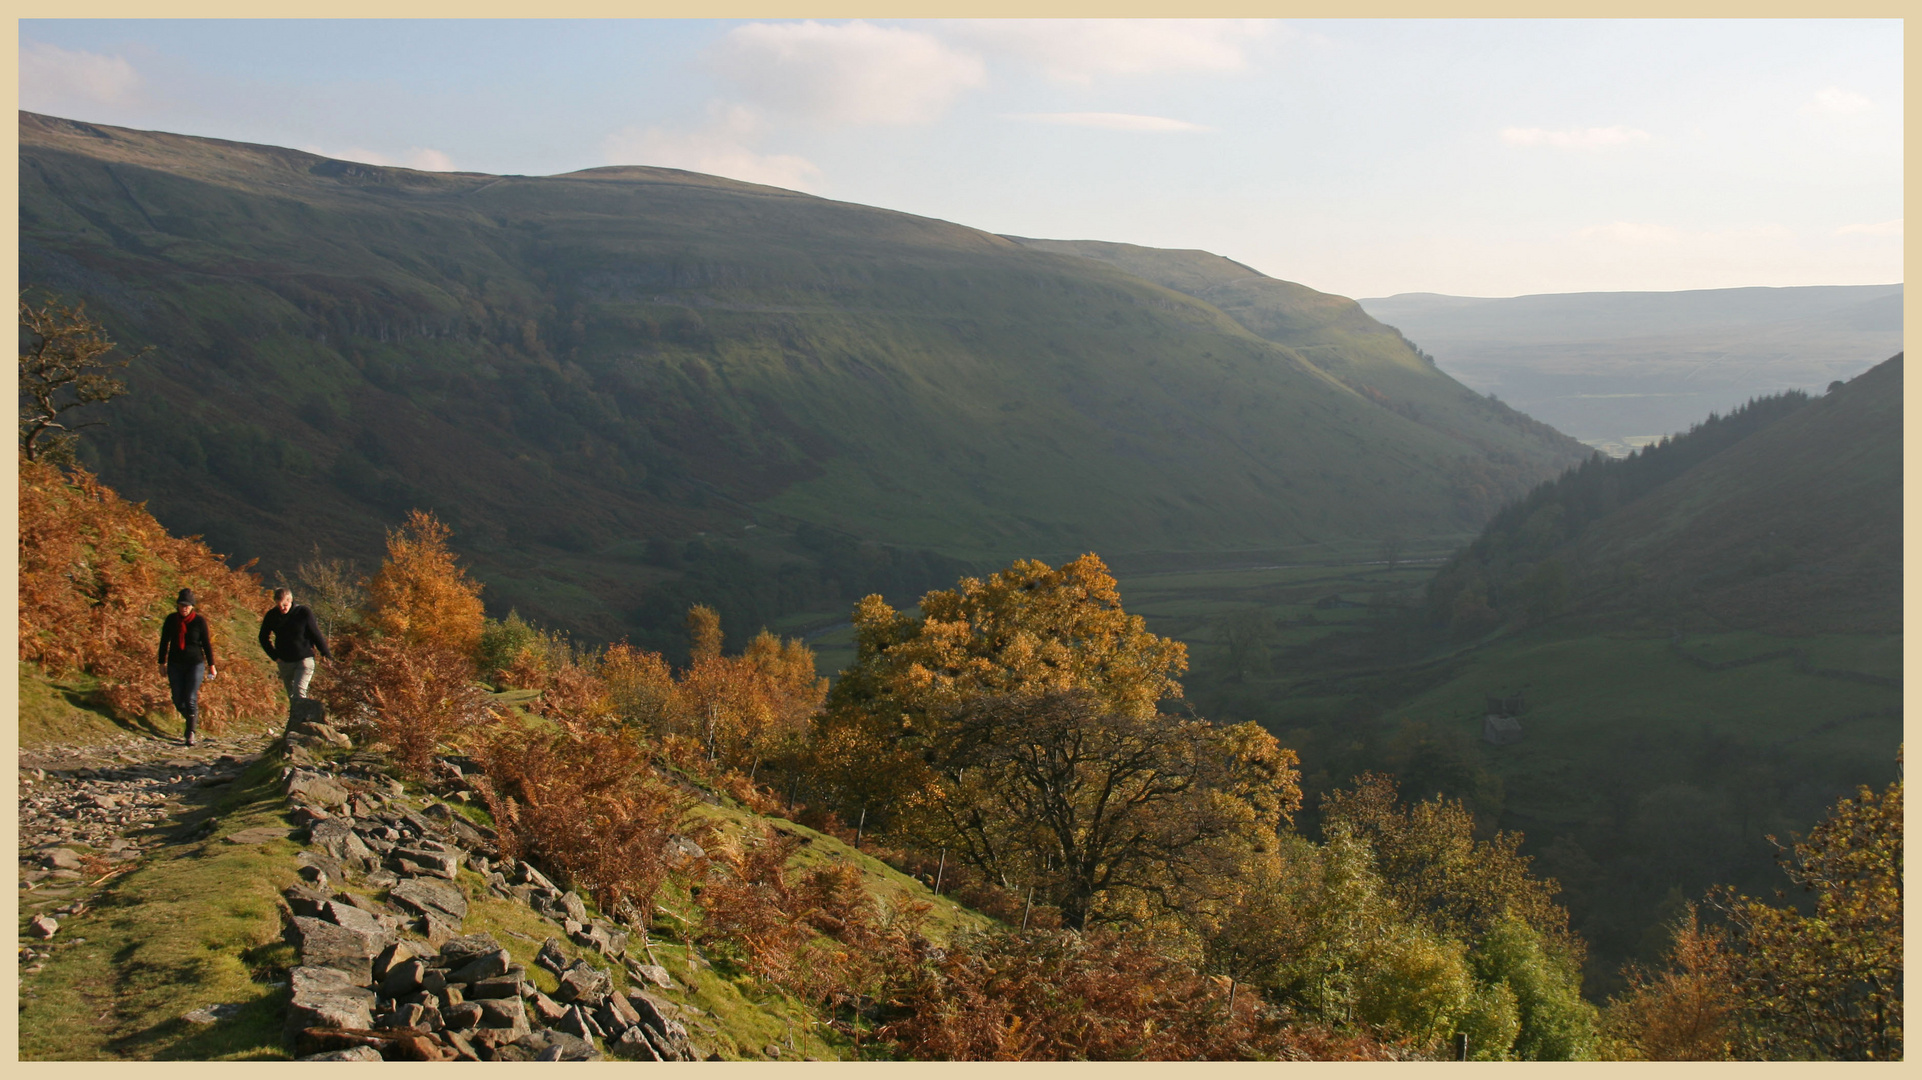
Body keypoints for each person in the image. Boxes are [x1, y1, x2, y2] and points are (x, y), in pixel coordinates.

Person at [258, 587, 330, 727]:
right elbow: (263, 637)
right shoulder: (272, 615)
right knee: (292, 696)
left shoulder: (303, 612)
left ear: (290, 600)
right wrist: (274, 656)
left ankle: (297, 725)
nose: (282, 608)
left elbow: (315, 633)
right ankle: (300, 723)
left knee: (299, 692)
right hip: (284, 661)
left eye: (285, 605)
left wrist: (325, 653)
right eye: (279, 605)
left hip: (304, 659)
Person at [157, 587, 216, 747]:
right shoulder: (171, 620)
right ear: (177, 605)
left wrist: (211, 665)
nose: (184, 608)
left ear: (192, 607)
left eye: (187, 606)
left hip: (195, 663)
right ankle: (192, 719)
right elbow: (164, 642)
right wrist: (161, 662)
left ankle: (190, 732)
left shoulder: (199, 621)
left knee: (190, 697)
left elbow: (206, 644)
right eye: (182, 605)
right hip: (175, 663)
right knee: (177, 698)